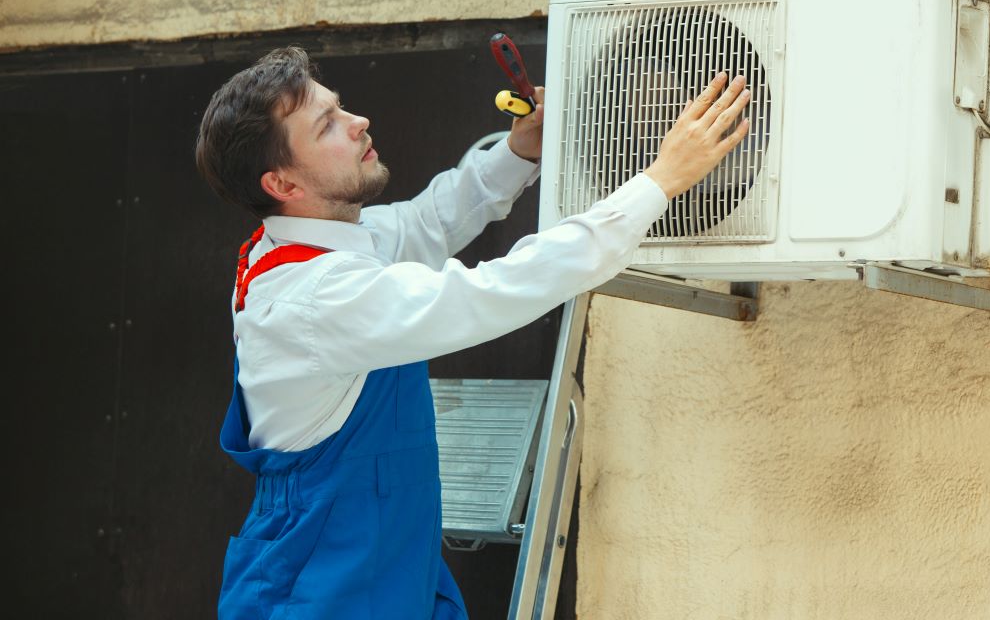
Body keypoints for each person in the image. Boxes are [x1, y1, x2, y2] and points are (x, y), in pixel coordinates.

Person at [194, 46, 750, 619]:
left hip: (382, 564)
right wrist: (658, 183)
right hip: (322, 587)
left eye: (342, 108)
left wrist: (518, 151)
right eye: (328, 124)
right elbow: (492, 292)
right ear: (282, 183)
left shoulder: (315, 246)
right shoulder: (316, 298)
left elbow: (423, 223)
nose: (359, 122)